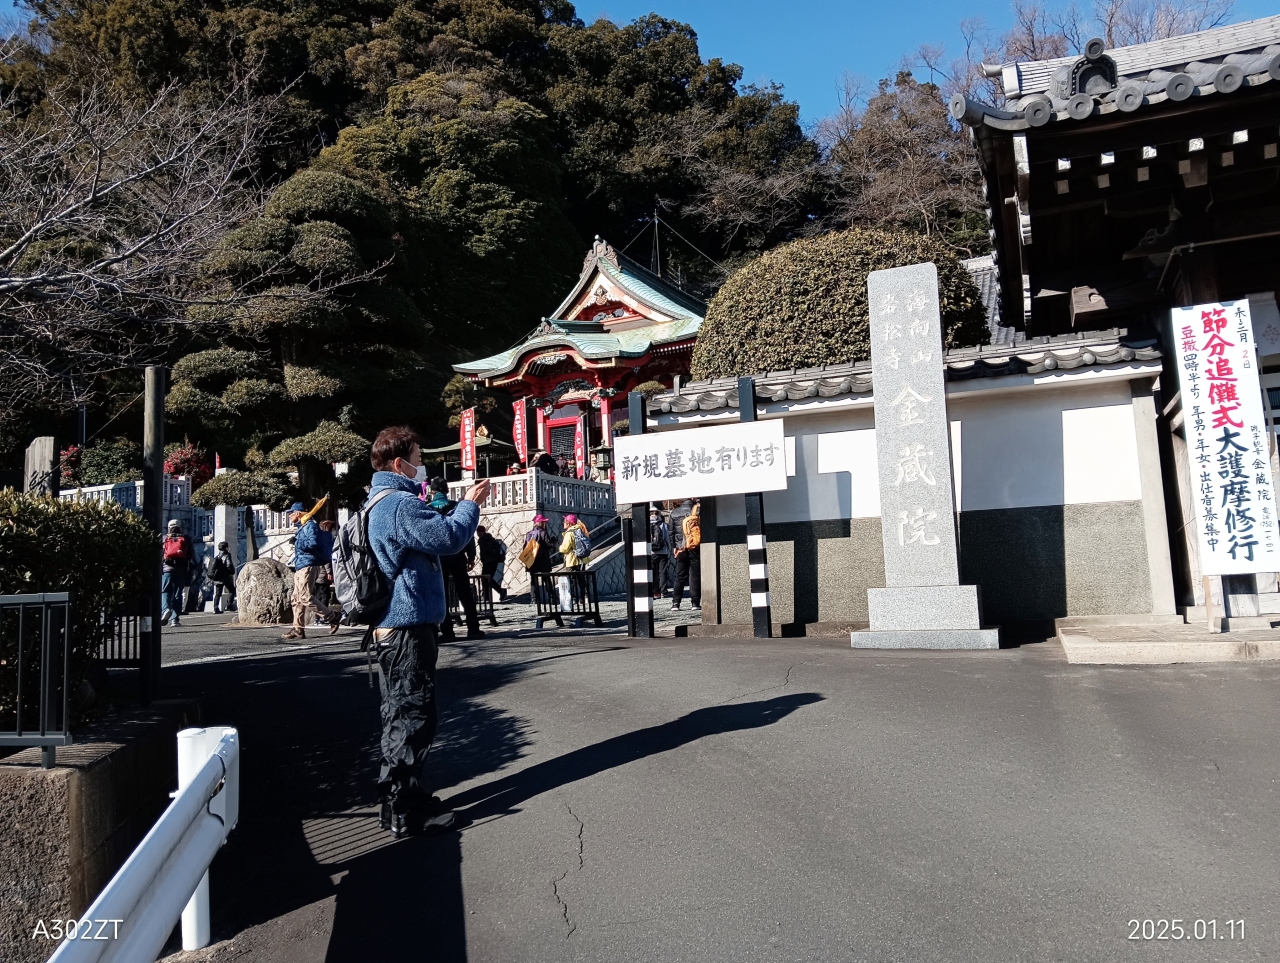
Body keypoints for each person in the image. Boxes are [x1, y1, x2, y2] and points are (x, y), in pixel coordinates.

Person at [364, 425, 491, 837]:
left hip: (391, 625)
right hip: (407, 626)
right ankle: (407, 810)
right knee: (413, 714)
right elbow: (448, 537)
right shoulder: (399, 504)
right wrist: (470, 505)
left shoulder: (378, 502)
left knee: (398, 713)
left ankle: (397, 801)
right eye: (418, 458)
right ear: (400, 464)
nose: (422, 465)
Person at [428, 478, 483, 641]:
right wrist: (471, 556)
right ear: (446, 490)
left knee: (442, 593)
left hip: (438, 556)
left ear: (432, 491)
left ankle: (447, 631)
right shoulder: (456, 507)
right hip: (457, 554)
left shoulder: (428, 509)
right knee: (464, 591)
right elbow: (466, 531)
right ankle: (473, 628)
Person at [282, 501, 341, 641]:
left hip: (308, 564)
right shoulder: (303, 526)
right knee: (296, 599)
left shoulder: (310, 525)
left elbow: (314, 543)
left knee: (305, 597)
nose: (289, 516)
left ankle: (332, 617)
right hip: (301, 565)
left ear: (297, 513)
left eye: (290, 513)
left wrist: (297, 542)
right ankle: (298, 629)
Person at [670, 498, 702, 610]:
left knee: (679, 576)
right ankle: (695, 603)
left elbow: (671, 533)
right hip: (694, 547)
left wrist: (674, 547)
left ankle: (676, 603)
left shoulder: (674, 512)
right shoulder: (697, 510)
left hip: (681, 548)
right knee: (695, 575)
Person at [161, 520, 194, 626]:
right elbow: (191, 555)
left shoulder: (164, 538)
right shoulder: (186, 538)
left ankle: (165, 609)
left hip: (167, 569)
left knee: (165, 591)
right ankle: (174, 619)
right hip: (181, 569)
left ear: (168, 528)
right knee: (178, 594)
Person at [523, 514, 556, 603]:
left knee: (533, 580)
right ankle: (552, 598)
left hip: (532, 560)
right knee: (546, 579)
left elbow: (524, 547)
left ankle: (534, 599)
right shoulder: (543, 532)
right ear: (540, 523)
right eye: (544, 522)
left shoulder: (529, 534)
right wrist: (554, 540)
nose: (545, 524)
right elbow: (549, 544)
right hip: (543, 560)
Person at [476, 525, 507, 603]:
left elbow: (486, 551)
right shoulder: (491, 538)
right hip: (494, 561)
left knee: (485, 579)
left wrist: (483, 558)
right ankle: (490, 595)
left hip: (488, 562)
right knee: (488, 579)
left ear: (479, 532)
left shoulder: (482, 540)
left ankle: (490, 595)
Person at [207, 541, 237, 614]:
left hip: (217, 577)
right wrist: (232, 572)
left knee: (218, 593)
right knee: (232, 590)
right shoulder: (227, 555)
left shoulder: (217, 556)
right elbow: (229, 565)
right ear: (226, 548)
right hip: (225, 577)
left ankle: (215, 608)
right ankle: (229, 605)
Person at [648, 508, 671, 601]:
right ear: (659, 514)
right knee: (663, 572)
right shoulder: (663, 524)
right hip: (663, 551)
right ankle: (663, 592)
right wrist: (669, 549)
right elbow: (667, 538)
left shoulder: (647, 524)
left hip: (651, 552)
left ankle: (655, 592)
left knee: (653, 572)